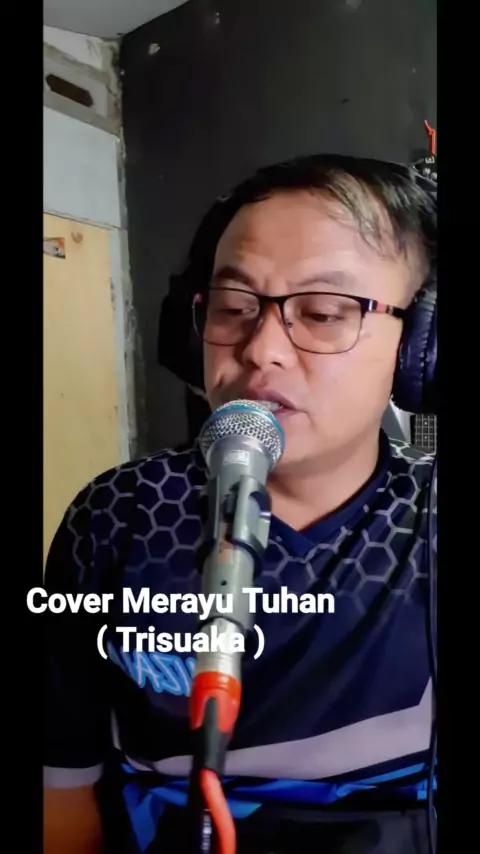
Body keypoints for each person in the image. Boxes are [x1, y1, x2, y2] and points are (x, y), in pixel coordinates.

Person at [43, 153, 437, 854]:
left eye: (323, 312)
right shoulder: (115, 516)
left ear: (422, 348)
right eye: (233, 308)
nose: (262, 351)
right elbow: (64, 786)